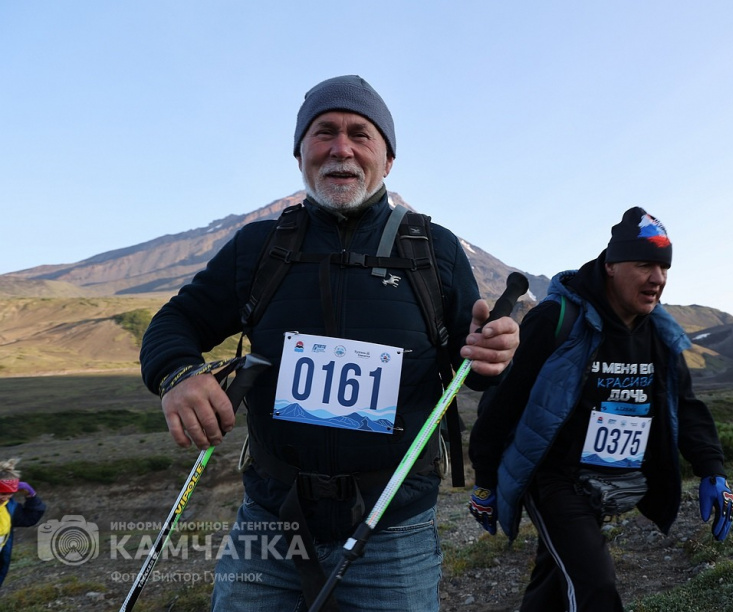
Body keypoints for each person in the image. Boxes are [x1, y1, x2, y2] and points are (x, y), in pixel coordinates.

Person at [139, 75, 519, 611]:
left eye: (361, 134)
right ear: (300, 154)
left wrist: (495, 353)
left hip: (394, 529)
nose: (342, 148)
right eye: (324, 133)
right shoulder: (258, 247)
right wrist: (178, 373)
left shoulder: (436, 250)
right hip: (271, 523)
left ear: (387, 160)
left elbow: (473, 364)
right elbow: (174, 323)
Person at [467, 207, 733, 611]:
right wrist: (486, 481)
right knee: (595, 588)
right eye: (645, 264)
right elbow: (504, 401)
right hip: (554, 477)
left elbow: (686, 405)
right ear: (611, 265)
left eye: (664, 267)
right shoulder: (558, 319)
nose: (657, 278)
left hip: (609, 483)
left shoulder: (660, 334)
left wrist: (713, 469)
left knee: (556, 581)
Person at [0, 458, 47, 590]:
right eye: (2, 493)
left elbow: (30, 518)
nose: (5, 497)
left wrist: (31, 495)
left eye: (9, 493)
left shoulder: (10, 507)